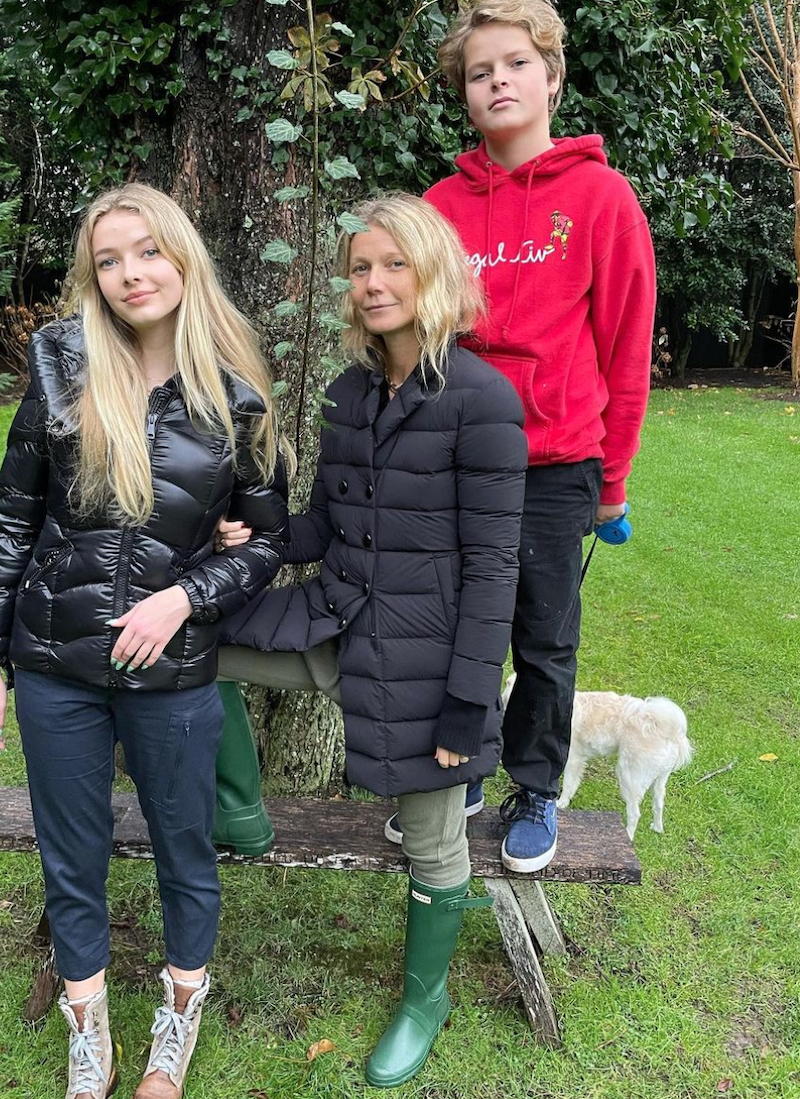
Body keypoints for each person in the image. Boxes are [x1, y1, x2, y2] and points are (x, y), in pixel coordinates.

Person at [0, 183, 289, 1099]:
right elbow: (12, 516)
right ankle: (90, 1038)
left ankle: (175, 1024)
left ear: (182, 258)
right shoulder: (61, 368)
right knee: (72, 856)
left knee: (186, 848)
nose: (131, 273)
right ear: (92, 275)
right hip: (54, 662)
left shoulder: (235, 399)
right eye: (108, 260)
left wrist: (185, 596)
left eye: (147, 251)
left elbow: (268, 542)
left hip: (172, 672)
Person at [217, 193, 527, 1087]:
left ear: (435, 274)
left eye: (395, 264)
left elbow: (494, 568)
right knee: (193, 640)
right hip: (336, 617)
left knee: (432, 842)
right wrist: (261, 538)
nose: (375, 282)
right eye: (361, 267)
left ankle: (425, 1000)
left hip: (426, 656)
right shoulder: (348, 394)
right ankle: (240, 811)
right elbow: (326, 523)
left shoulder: (482, 400)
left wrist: (467, 701)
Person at [422, 0, 656, 872]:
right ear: (465, 93)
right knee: (454, 623)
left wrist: (612, 483)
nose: (498, 82)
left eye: (516, 64)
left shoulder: (602, 199)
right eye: (480, 72)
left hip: (557, 464)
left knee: (543, 637)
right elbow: (416, 340)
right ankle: (460, 768)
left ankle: (535, 784)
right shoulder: (440, 207)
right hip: (456, 460)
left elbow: (626, 348)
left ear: (551, 77)